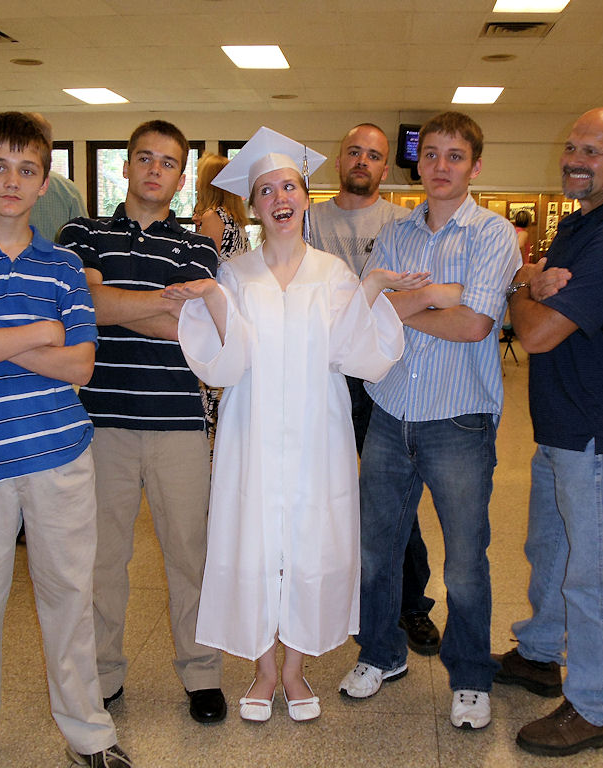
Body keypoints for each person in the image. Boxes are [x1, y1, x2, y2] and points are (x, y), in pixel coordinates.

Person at [165, 127, 426, 724]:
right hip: (251, 434)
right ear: (253, 205)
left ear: (305, 196)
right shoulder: (234, 274)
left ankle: (296, 669)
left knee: (310, 541)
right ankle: (261, 671)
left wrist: (373, 288)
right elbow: (224, 365)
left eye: (289, 186)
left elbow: (353, 354)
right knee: (254, 540)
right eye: (265, 189)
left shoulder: (333, 274)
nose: (278, 197)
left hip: (316, 433)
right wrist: (212, 298)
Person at [0, 112, 131, 768]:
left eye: (28, 170)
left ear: (44, 184)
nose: (13, 181)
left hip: (60, 456)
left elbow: (82, 366)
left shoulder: (64, 266)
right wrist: (39, 334)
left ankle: (88, 735)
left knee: (70, 601)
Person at [339, 112, 521, 733]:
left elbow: (475, 325)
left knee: (466, 558)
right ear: (419, 163)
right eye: (432, 154)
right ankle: (380, 653)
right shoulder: (397, 232)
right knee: (376, 548)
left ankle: (470, 675)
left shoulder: (494, 234)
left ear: (474, 166)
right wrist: (440, 293)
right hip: (390, 413)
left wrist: (405, 306)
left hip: (459, 420)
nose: (441, 166)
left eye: (455, 156)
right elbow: (369, 311)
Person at [498, 106, 603, 757]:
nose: (576, 159)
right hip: (564, 428)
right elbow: (538, 297)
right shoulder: (583, 224)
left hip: (597, 433)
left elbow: (535, 332)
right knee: (553, 550)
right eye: (572, 146)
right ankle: (540, 653)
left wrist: (519, 286)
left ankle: (595, 708)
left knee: (593, 572)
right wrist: (530, 283)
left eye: (593, 151)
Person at [57, 120, 226, 725]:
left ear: (181, 178)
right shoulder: (82, 232)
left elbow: (195, 330)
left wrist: (115, 304)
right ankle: (102, 675)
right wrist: (163, 304)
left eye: (169, 163)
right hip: (101, 422)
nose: (155, 170)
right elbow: (86, 305)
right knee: (101, 558)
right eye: (144, 159)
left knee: (190, 554)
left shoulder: (197, 246)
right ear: (125, 167)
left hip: (179, 423)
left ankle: (202, 672)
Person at [308, 123, 440, 656]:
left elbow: (418, 300)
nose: (362, 161)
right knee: (322, 495)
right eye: (354, 152)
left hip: (384, 378)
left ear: (387, 169)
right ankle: (330, 595)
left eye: (374, 156)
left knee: (392, 500)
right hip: (324, 376)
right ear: (340, 160)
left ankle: (411, 604)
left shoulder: (403, 224)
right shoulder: (309, 219)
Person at [192, 152, 250, 446]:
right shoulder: (237, 221)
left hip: (214, 315)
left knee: (211, 395)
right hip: (234, 313)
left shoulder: (213, 218)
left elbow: (203, 267)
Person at [193, 152, 249, 261]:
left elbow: (204, 264)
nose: (197, 182)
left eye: (199, 177)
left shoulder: (214, 217)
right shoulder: (232, 217)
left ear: (208, 183)